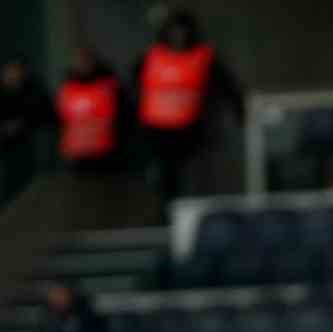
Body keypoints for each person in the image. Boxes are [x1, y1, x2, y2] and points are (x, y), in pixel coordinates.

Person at [133, 8, 245, 203]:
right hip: (157, 133)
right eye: (174, 31)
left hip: (194, 132)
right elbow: (133, 87)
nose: (178, 36)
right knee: (165, 181)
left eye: (182, 30)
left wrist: (239, 111)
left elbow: (228, 86)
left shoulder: (205, 56)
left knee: (197, 179)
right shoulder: (150, 56)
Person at [56, 48, 127, 171]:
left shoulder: (108, 85)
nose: (83, 65)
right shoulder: (68, 87)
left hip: (104, 151)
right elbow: (61, 117)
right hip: (77, 152)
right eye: (79, 61)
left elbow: (123, 113)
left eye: (86, 60)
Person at [1, 57, 52, 203]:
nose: (12, 74)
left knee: (31, 187)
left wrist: (22, 123)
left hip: (31, 144)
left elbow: (45, 115)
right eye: (9, 71)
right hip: (6, 147)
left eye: (16, 70)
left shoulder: (35, 90)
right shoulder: (3, 92)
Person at [35, 280, 110, 332]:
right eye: (54, 294)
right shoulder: (47, 316)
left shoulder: (86, 313)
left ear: (70, 294)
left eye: (61, 293)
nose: (57, 298)